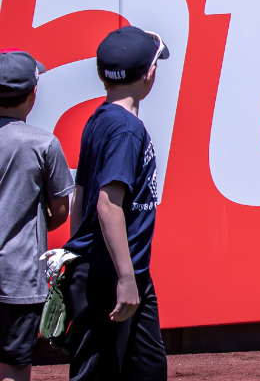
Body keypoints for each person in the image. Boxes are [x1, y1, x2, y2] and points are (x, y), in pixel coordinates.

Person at [63, 27, 169, 380]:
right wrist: (123, 277)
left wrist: (78, 253)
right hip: (112, 274)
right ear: (149, 74)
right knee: (97, 373)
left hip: (127, 270)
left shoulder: (102, 118)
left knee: (148, 368)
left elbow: (79, 193)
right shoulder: (125, 128)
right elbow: (107, 203)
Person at [0, 50, 74, 381]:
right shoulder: (43, 144)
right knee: (15, 368)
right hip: (18, 278)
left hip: (18, 279)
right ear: (32, 95)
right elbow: (60, 211)